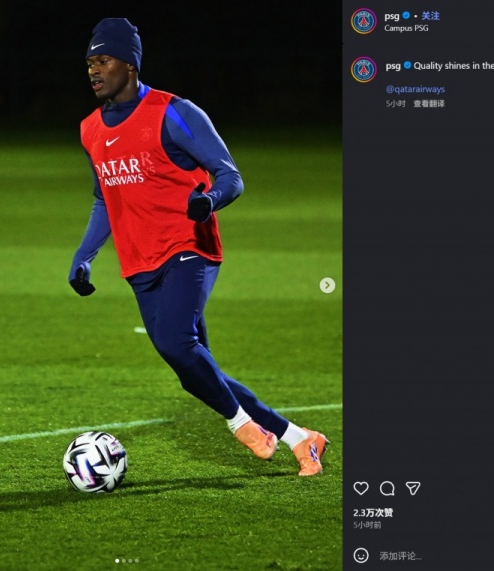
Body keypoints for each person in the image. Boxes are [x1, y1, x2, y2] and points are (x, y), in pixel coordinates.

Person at [68, 18, 327, 476]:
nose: (94, 70)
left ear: (130, 65)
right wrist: (84, 255)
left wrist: (209, 200)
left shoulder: (174, 112)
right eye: (90, 62)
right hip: (138, 261)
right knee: (196, 373)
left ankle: (243, 425)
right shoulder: (90, 129)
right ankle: (300, 439)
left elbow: (230, 175)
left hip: (188, 246)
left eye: (103, 60)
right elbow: (104, 198)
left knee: (176, 343)